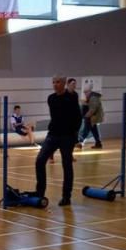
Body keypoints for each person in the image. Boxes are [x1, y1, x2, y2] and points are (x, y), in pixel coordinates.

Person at [34, 75, 82, 207]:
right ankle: (40, 193)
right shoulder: (51, 98)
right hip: (53, 135)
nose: (55, 84)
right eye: (53, 82)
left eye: (58, 82)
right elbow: (60, 111)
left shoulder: (72, 97)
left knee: (67, 165)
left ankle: (66, 196)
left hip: (67, 137)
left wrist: (75, 136)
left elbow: (77, 115)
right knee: (40, 160)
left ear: (64, 83)